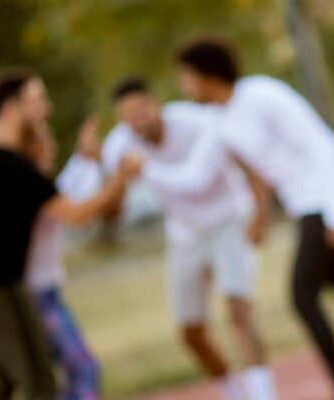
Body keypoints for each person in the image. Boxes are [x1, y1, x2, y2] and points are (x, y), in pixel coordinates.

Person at [156, 38, 334, 400]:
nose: (183, 85)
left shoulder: (262, 94)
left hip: (323, 204)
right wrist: (257, 215)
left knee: (303, 296)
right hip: (303, 208)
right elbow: (203, 175)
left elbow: (321, 144)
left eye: (186, 77)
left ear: (206, 76)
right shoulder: (218, 121)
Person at [0, 68, 139, 400]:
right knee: (39, 381)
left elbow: (68, 195)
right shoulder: (4, 166)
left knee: (1, 384)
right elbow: (78, 214)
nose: (45, 109)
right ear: (11, 107)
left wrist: (91, 164)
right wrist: (120, 176)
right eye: (37, 100)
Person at [102, 78, 278, 400]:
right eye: (128, 114)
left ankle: (263, 395)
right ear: (120, 118)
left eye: (141, 109)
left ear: (156, 104)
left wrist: (261, 213)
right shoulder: (118, 145)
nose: (137, 118)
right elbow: (111, 207)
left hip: (228, 219)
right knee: (191, 332)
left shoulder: (197, 122)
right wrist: (110, 176)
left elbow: (196, 179)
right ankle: (233, 392)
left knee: (239, 310)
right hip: (184, 234)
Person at [23, 119, 106, 400]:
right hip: (36, 296)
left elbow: (65, 188)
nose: (52, 148)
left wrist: (85, 158)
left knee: (73, 373)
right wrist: (116, 176)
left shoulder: (37, 185)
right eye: (45, 143)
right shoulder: (27, 186)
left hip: (46, 293)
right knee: (83, 369)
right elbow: (79, 211)